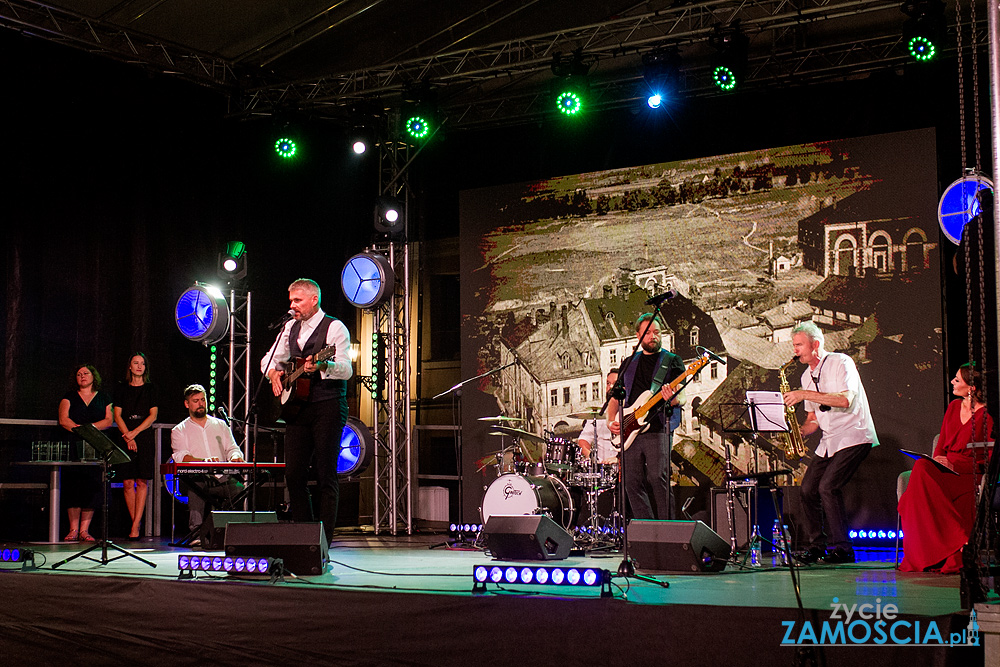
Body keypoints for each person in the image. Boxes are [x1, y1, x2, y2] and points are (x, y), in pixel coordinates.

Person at [262, 278, 352, 544]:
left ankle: (324, 540)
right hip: (298, 409)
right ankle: (304, 535)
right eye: (291, 300)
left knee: (325, 474)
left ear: (314, 299)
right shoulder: (290, 327)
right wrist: (274, 374)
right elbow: (268, 358)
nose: (293, 306)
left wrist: (324, 366)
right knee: (293, 474)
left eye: (297, 300)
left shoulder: (335, 327)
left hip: (328, 405)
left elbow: (346, 368)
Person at [782, 321, 878, 564]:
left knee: (827, 487)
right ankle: (817, 546)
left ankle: (843, 549)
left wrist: (803, 395)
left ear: (815, 345)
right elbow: (814, 419)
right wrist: (799, 431)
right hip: (830, 440)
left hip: (854, 434)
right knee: (807, 490)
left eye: (799, 345)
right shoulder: (806, 376)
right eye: (794, 346)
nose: (795, 350)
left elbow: (845, 400)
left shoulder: (841, 362)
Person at [898, 363, 994, 573]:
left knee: (918, 483)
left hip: (968, 474)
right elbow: (940, 448)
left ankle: (947, 548)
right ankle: (955, 541)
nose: (952, 382)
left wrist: (955, 464)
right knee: (923, 466)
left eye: (957, 380)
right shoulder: (952, 408)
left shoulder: (988, 416)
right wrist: (939, 461)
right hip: (946, 471)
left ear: (972, 388)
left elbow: (990, 458)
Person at [608, 313, 685, 520]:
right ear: (638, 336)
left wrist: (672, 398)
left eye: (657, 332)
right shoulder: (628, 363)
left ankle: (668, 529)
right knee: (631, 481)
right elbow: (615, 397)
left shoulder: (672, 361)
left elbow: (682, 397)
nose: (653, 336)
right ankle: (647, 527)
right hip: (630, 430)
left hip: (658, 427)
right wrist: (611, 421)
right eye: (648, 333)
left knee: (657, 477)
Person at [170, 384, 244, 546]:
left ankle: (227, 530)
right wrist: (202, 461)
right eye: (195, 401)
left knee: (238, 487)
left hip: (221, 477)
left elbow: (232, 448)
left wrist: (235, 456)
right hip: (196, 478)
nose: (200, 403)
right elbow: (180, 456)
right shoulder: (179, 430)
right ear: (187, 404)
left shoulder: (220, 425)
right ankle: (196, 532)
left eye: (202, 400)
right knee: (196, 486)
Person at [57, 364, 114, 542]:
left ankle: (84, 530)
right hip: (74, 443)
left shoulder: (104, 397)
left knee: (92, 486)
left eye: (86, 373)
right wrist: (80, 430)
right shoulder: (69, 397)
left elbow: (108, 420)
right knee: (74, 485)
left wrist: (90, 430)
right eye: (79, 374)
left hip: (96, 444)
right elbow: (63, 419)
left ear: (93, 376)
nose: (82, 376)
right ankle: (73, 529)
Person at [113, 353, 158, 540]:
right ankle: (135, 523)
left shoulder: (150, 388)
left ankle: (135, 526)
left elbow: (152, 416)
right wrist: (128, 436)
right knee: (127, 482)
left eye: (142, 364)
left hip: (144, 436)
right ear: (129, 367)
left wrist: (135, 433)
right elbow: (117, 415)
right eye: (135, 363)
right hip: (125, 436)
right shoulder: (121, 388)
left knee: (142, 480)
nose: (139, 366)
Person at [579, 370, 621, 465]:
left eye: (614, 384)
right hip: (601, 468)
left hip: (623, 467)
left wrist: (619, 459)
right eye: (608, 383)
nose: (610, 387)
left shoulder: (630, 411)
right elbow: (583, 439)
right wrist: (589, 455)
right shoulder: (597, 413)